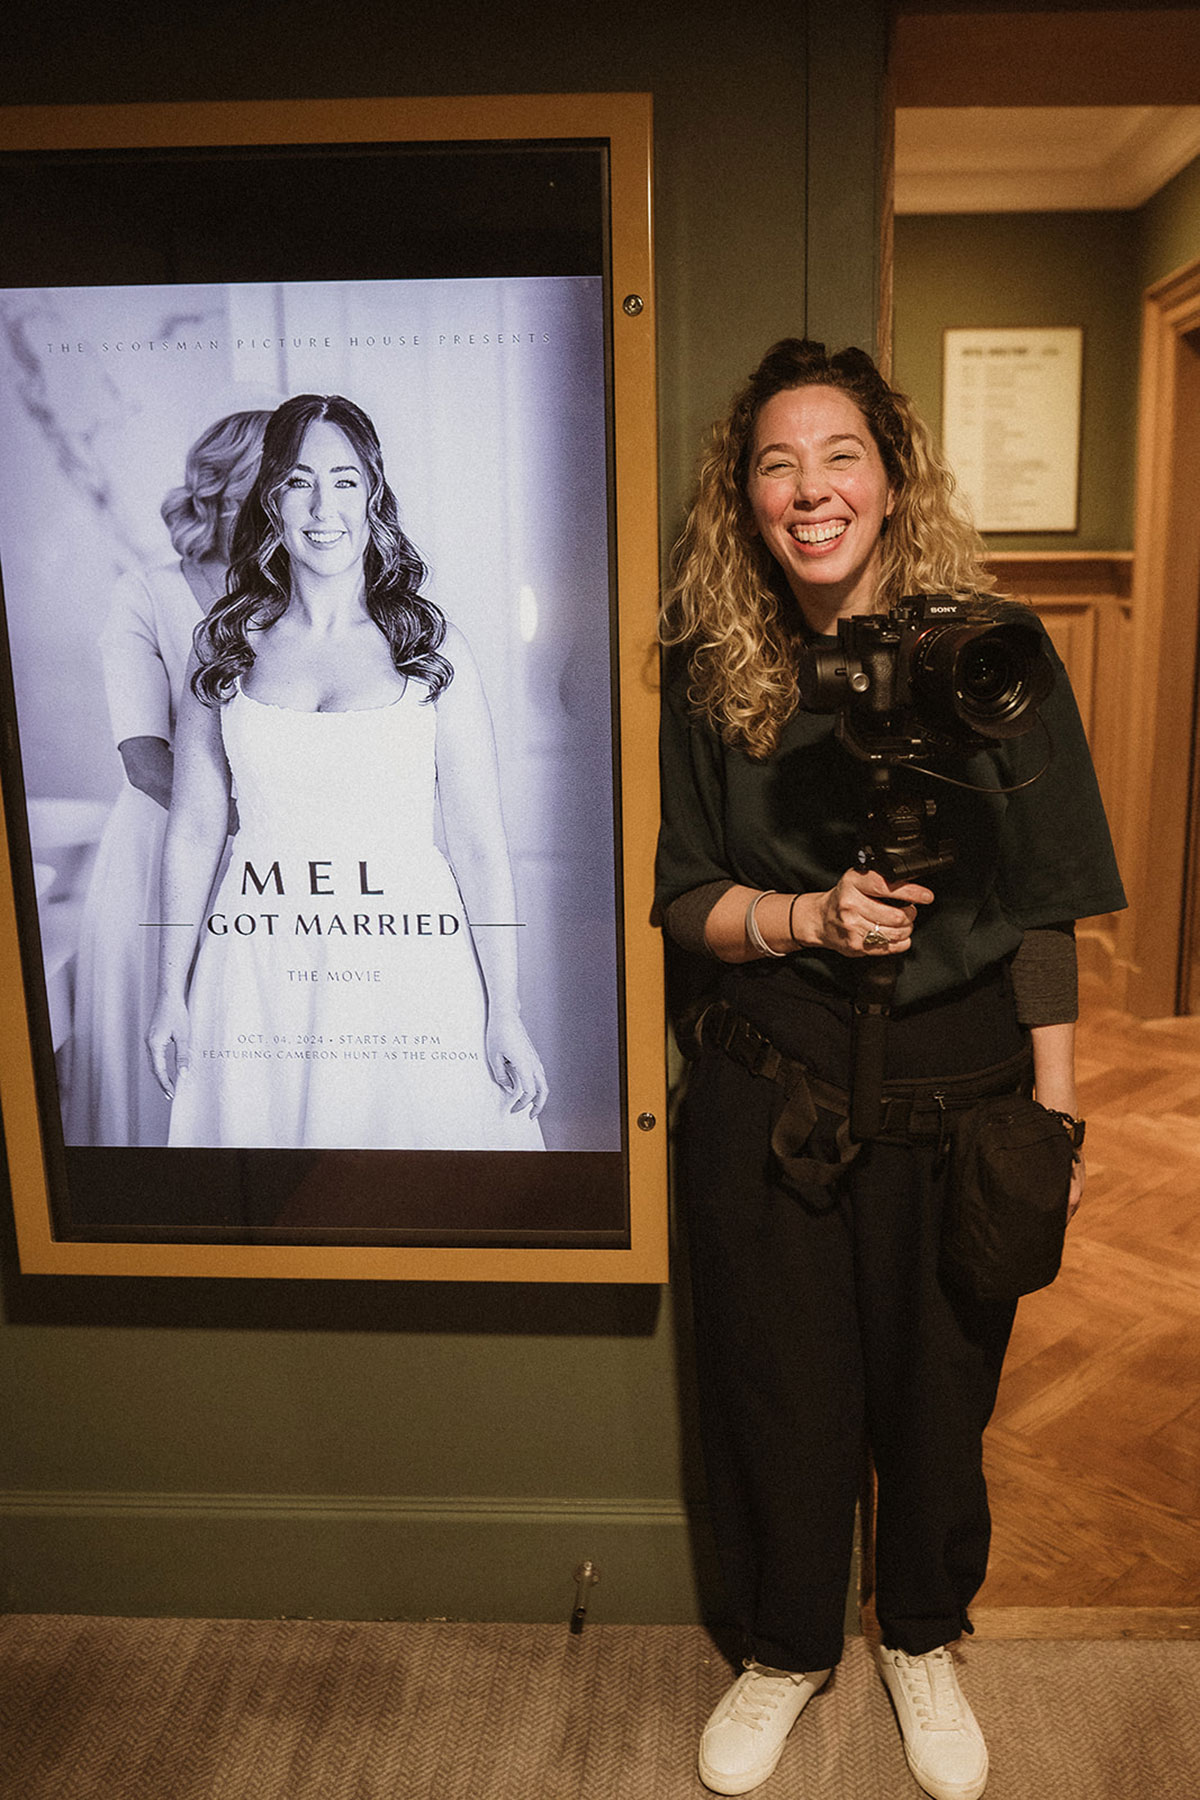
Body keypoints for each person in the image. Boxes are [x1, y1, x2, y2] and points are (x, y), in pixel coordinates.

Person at [655, 340, 1124, 1800]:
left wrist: (1054, 1115)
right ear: (745, 497)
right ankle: (788, 1648)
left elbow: (1042, 908)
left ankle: (919, 1634)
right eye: (779, 462)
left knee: (940, 1390)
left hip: (964, 1089)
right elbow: (686, 901)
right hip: (773, 1082)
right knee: (782, 1386)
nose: (812, 490)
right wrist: (804, 915)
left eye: (840, 455)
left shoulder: (997, 656)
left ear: (893, 472)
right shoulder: (710, 664)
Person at [146, 392, 547, 1151]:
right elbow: (196, 828)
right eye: (298, 481)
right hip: (259, 962)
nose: (322, 506)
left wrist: (505, 1010)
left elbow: (478, 844)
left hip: (408, 963)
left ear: (372, 495)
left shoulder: (435, 649)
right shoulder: (222, 646)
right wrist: (171, 990)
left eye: (344, 480)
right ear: (271, 497)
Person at [63, 409, 269, 1146]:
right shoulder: (145, 594)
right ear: (223, 488)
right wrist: (259, 822)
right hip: (164, 851)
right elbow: (145, 759)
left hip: (277, 864)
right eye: (275, 477)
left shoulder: (304, 588)